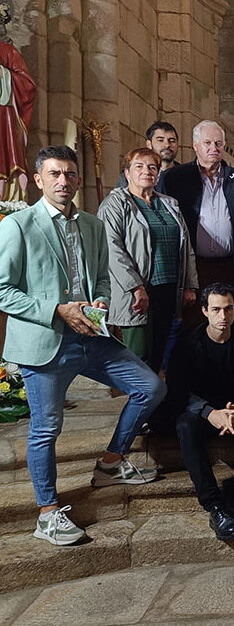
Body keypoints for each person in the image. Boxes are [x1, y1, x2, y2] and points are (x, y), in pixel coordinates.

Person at [0, 146, 166, 545]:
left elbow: (104, 280)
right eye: (55, 174)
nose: (64, 181)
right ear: (38, 180)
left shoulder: (92, 225)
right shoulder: (18, 226)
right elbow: (3, 290)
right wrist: (57, 309)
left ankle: (110, 461)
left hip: (91, 335)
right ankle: (47, 514)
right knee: (46, 428)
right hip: (48, 341)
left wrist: (102, 301)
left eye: (70, 174)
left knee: (151, 387)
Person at [167, 283, 234, 540]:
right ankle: (214, 505)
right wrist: (208, 412)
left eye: (228, 309)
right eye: (216, 309)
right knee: (184, 426)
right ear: (205, 310)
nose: (223, 316)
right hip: (201, 413)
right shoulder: (187, 342)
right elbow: (177, 389)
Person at [99, 148, 198, 374]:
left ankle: (157, 407)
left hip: (169, 289)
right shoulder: (115, 204)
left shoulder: (170, 203)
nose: (147, 171)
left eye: (153, 167)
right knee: (138, 358)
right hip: (138, 292)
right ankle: (140, 406)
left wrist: (190, 284)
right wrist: (136, 287)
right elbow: (112, 250)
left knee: (160, 354)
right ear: (127, 173)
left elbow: (186, 246)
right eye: (139, 166)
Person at [160, 119, 234, 324]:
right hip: (194, 269)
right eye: (207, 143)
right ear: (195, 146)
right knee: (194, 327)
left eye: (218, 144)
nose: (214, 148)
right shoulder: (174, 178)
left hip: (229, 267)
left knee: (229, 326)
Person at [0, 0, 35, 202]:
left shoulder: (8, 51)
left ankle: (10, 201)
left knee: (6, 158)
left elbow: (27, 85)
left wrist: (3, 75)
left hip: (3, 116)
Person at [114, 122, 180, 190]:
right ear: (149, 144)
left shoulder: (185, 175)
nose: (167, 145)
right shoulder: (131, 176)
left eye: (172, 141)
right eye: (160, 140)